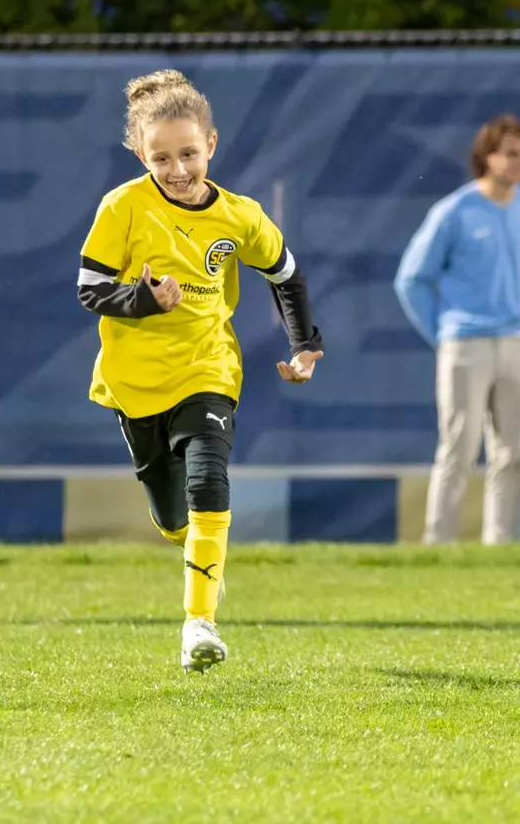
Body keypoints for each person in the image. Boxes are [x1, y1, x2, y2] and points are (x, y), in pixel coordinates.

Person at [78, 69, 323, 673]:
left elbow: (286, 273)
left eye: (189, 153)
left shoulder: (239, 216)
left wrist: (304, 344)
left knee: (209, 481)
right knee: (174, 518)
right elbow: (89, 288)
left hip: (208, 368)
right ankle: (200, 559)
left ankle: (199, 624)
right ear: (140, 155)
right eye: (161, 158)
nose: (178, 169)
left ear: (211, 144)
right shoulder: (123, 207)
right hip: (134, 382)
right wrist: (141, 299)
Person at [393, 116, 520, 545]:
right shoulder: (454, 211)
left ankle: (498, 543)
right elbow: (412, 279)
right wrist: (444, 333)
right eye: (509, 153)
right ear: (486, 157)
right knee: (458, 448)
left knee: (511, 452)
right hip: (465, 344)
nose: (518, 162)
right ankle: (438, 542)